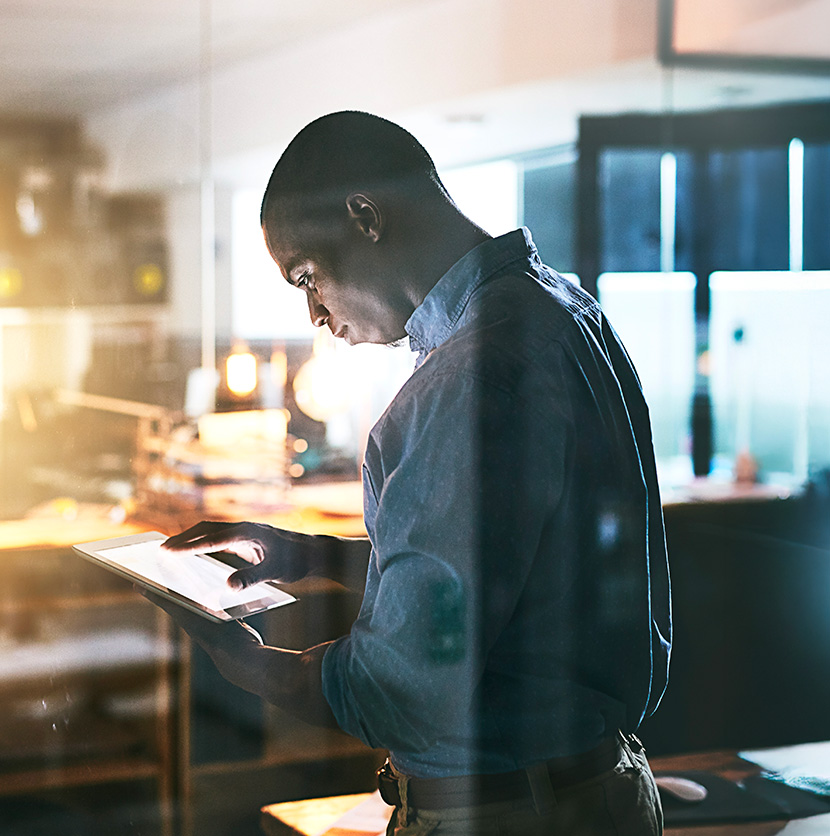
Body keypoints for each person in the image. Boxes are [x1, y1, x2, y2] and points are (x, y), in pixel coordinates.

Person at [147, 111, 672, 835]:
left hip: (508, 815)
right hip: (597, 791)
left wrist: (251, 665)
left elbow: (404, 689)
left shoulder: (467, 378)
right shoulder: (570, 313)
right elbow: (498, 577)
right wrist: (318, 557)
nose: (314, 314)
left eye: (307, 277)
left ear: (365, 216)